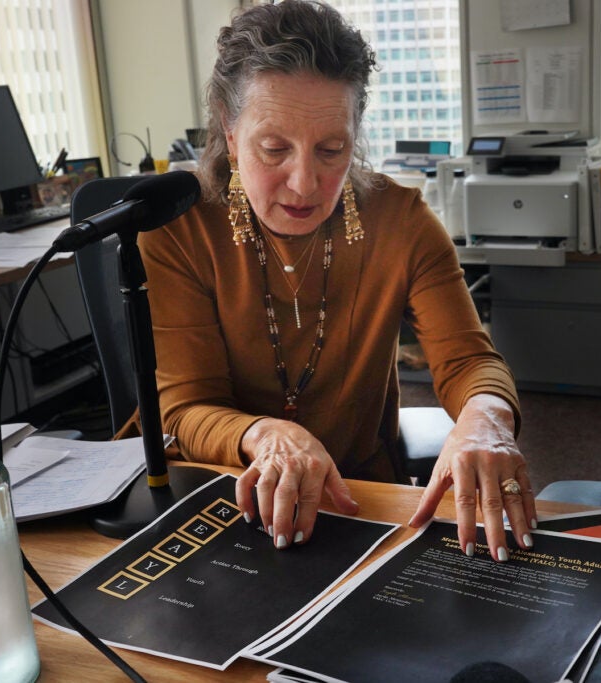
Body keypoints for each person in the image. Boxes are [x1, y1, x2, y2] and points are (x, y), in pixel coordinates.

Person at [139, 0, 536, 562]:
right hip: (218, 501)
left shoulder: (401, 222)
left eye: (332, 150)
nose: (305, 183)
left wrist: (486, 419)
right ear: (229, 131)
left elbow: (469, 361)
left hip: (357, 498)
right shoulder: (180, 231)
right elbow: (184, 409)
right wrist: (267, 435)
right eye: (274, 149)